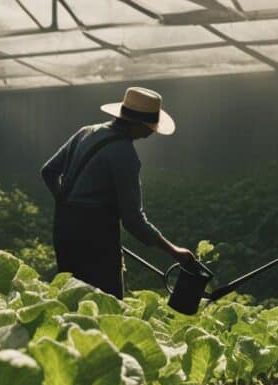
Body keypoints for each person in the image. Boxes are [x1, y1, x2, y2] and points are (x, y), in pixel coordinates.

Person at [40, 87, 196, 299]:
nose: (151, 132)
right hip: (96, 241)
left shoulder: (86, 132)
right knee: (106, 305)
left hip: (63, 233)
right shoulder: (125, 155)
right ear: (136, 124)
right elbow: (133, 220)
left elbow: (49, 172)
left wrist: (66, 203)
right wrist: (174, 252)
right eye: (150, 127)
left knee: (71, 300)